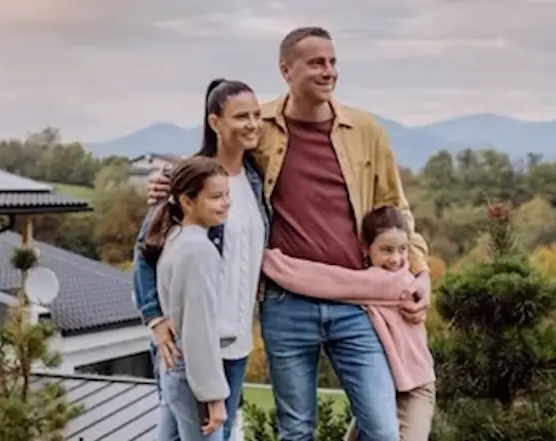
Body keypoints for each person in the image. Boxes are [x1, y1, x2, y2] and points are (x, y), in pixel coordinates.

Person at [147, 27, 433, 441]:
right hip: (286, 303)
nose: (328, 71)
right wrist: (170, 182)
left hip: (355, 302)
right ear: (286, 69)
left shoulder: (367, 132)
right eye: (316, 62)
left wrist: (421, 271)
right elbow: (216, 158)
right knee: (296, 431)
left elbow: (395, 209)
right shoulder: (259, 125)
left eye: (332, 61)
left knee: (384, 429)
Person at [133, 78, 268, 441]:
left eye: (258, 115)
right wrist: (154, 319)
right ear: (214, 123)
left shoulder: (258, 181)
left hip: (236, 341)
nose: (253, 124)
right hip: (193, 342)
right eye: (242, 116)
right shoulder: (189, 182)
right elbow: (145, 253)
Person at [261, 206, 436, 441]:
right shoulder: (377, 280)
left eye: (403, 249)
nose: (396, 259)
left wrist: (270, 261)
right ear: (365, 248)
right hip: (392, 380)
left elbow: (324, 281)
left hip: (414, 387)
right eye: (387, 250)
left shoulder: (394, 284)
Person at [140, 156, 235, 441]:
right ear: (187, 202)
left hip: (173, 368)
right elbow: (199, 327)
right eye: (216, 197)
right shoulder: (198, 250)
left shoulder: (175, 238)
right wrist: (213, 396)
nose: (226, 203)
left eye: (227, 195)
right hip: (191, 371)